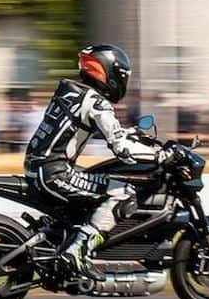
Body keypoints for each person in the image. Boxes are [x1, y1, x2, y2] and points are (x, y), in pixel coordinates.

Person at [23, 43, 168, 281]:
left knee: (96, 182)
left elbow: (107, 131)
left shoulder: (70, 92)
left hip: (38, 167)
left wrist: (131, 133)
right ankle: (77, 251)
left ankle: (65, 239)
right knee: (124, 194)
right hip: (55, 172)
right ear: (108, 72)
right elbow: (120, 148)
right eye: (121, 76)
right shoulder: (97, 103)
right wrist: (160, 155)